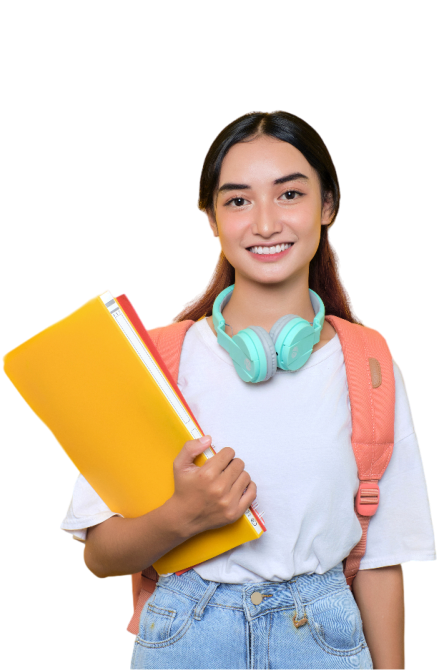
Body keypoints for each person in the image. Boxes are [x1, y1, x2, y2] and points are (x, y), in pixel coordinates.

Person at [60, 111, 436, 669]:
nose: (265, 223)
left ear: (328, 205)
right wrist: (181, 517)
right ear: (211, 219)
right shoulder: (158, 361)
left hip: (324, 636)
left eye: (289, 194)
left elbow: (383, 562)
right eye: (237, 201)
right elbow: (99, 555)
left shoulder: (371, 365)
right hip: (186, 634)